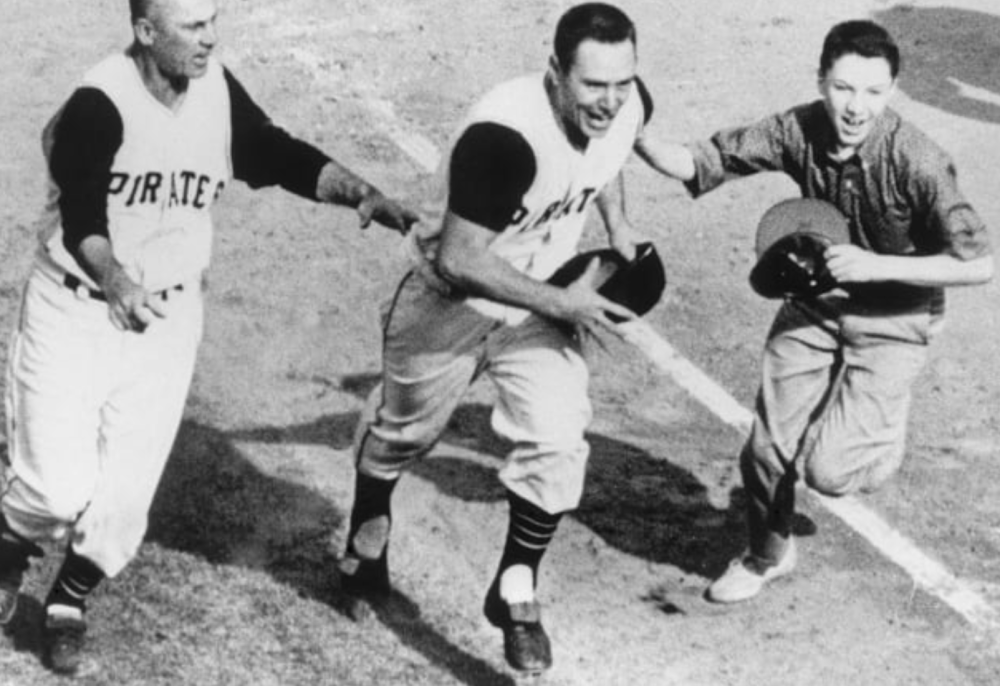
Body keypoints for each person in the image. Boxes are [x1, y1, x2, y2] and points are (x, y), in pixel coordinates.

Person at [0, 0, 416, 675]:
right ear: (145, 32)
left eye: (212, 20)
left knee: (124, 502)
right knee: (52, 488)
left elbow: (271, 151)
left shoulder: (214, 88)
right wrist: (115, 279)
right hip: (77, 305)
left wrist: (356, 189)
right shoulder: (98, 103)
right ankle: (10, 549)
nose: (210, 37)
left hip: (166, 317)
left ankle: (69, 600)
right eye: (193, 26)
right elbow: (82, 216)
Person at [337, 2, 653, 675]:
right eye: (593, 85)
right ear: (555, 74)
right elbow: (460, 258)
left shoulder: (626, 105)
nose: (610, 100)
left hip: (535, 310)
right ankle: (368, 532)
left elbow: (612, 152)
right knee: (402, 435)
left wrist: (619, 227)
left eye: (622, 82)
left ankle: (515, 588)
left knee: (560, 435)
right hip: (447, 302)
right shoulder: (504, 137)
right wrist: (562, 299)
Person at [637, 19, 993, 603]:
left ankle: (878, 431)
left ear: (893, 90)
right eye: (844, 88)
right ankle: (765, 554)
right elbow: (701, 160)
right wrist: (637, 134)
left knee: (829, 472)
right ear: (822, 81)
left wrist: (880, 266)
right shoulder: (795, 128)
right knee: (766, 447)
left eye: (874, 92)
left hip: (897, 317)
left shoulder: (919, 160)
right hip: (817, 302)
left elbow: (980, 264)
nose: (857, 107)